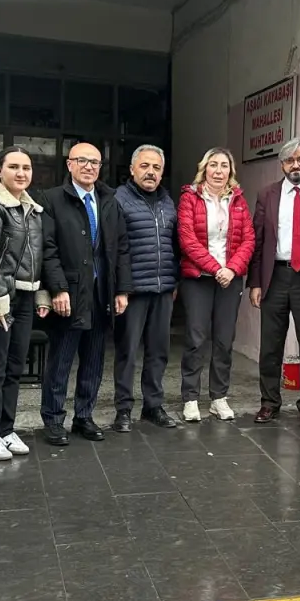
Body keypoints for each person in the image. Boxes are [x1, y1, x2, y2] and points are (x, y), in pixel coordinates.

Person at [39, 142, 132, 446]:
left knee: (93, 360)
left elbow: (121, 249)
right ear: (69, 164)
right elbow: (47, 249)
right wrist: (58, 288)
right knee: (61, 361)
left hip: (101, 294)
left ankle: (84, 416)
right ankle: (53, 419)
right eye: (82, 160)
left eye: (95, 162)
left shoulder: (109, 201)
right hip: (69, 293)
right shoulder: (52, 199)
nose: (89, 167)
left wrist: (121, 290)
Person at [248, 137, 300, 428]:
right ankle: (269, 402)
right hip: (275, 276)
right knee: (270, 345)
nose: (295, 165)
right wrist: (256, 282)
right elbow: (258, 241)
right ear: (282, 164)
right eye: (289, 160)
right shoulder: (267, 194)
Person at [0, 147, 50, 459]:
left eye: (26, 168)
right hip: (2, 296)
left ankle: (6, 429)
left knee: (14, 366)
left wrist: (41, 292)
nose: (21, 173)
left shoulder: (31, 207)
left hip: (26, 296)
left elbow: (37, 256)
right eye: (14, 167)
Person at [178, 147, 256, 423]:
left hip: (229, 280)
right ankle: (190, 398)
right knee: (196, 339)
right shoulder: (189, 198)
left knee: (224, 340)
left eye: (224, 165)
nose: (219, 171)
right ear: (204, 168)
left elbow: (249, 239)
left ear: (230, 171)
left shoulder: (238, 200)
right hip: (198, 279)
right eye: (213, 165)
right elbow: (187, 239)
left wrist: (232, 269)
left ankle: (218, 398)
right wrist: (216, 268)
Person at [112, 145, 180, 432]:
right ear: (132, 169)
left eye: (156, 167)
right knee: (127, 352)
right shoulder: (119, 199)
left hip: (163, 289)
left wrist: (174, 280)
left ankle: (153, 406)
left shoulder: (167, 202)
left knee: (158, 351)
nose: (150, 172)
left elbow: (174, 245)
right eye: (144, 166)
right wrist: (121, 288)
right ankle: (123, 409)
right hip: (133, 291)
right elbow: (115, 248)